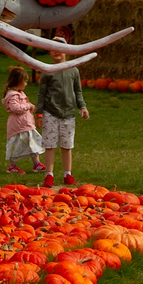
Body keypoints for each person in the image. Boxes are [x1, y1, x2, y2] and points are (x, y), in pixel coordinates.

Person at [37, 47, 89, 187]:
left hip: (68, 114)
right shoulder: (47, 70)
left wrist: (82, 107)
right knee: (50, 145)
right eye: (53, 49)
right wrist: (39, 113)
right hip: (50, 113)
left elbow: (78, 91)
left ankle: (68, 174)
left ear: (66, 51)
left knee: (67, 146)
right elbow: (42, 93)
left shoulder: (73, 70)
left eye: (60, 49)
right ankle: (49, 175)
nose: (56, 51)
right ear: (49, 52)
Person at [2, 66, 46, 175]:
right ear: (18, 82)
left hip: (26, 124)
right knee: (16, 145)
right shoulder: (12, 95)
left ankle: (36, 163)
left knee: (33, 142)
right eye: (24, 81)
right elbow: (15, 108)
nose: (26, 84)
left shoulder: (20, 93)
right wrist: (28, 106)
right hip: (18, 126)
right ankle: (12, 166)